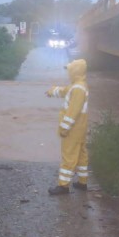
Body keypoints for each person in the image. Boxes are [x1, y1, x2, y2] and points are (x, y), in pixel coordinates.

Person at [45, 58, 89, 195]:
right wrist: (52, 91)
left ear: (75, 72)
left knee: (68, 156)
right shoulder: (78, 85)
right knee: (81, 155)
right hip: (80, 129)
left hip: (73, 129)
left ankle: (63, 186)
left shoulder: (78, 89)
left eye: (69, 70)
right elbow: (64, 91)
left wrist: (64, 128)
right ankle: (83, 182)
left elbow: (72, 112)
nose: (68, 73)